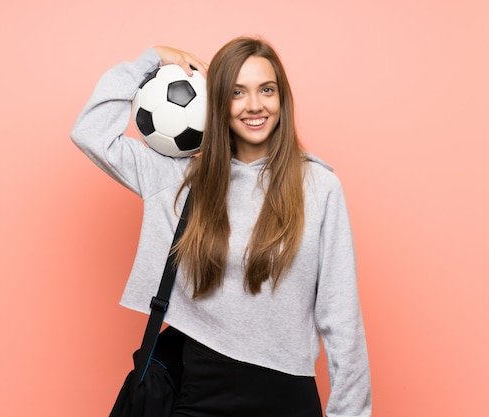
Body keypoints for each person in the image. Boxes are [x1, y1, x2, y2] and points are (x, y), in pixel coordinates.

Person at [71, 36, 372, 417]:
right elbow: (90, 132)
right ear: (216, 103)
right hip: (198, 391)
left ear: (283, 99)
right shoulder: (179, 178)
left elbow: (341, 315)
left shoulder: (319, 186)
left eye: (267, 90)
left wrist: (351, 413)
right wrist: (152, 59)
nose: (255, 105)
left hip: (287, 393)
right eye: (237, 92)